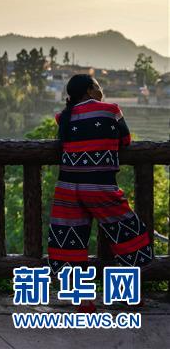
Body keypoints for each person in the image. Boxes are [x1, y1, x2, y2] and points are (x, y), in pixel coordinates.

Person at [47, 74, 153, 312]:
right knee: (129, 236)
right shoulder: (111, 110)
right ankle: (130, 295)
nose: (100, 88)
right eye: (97, 85)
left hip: (67, 188)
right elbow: (125, 140)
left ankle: (83, 302)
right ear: (88, 90)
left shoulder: (63, 117)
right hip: (100, 187)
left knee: (70, 243)